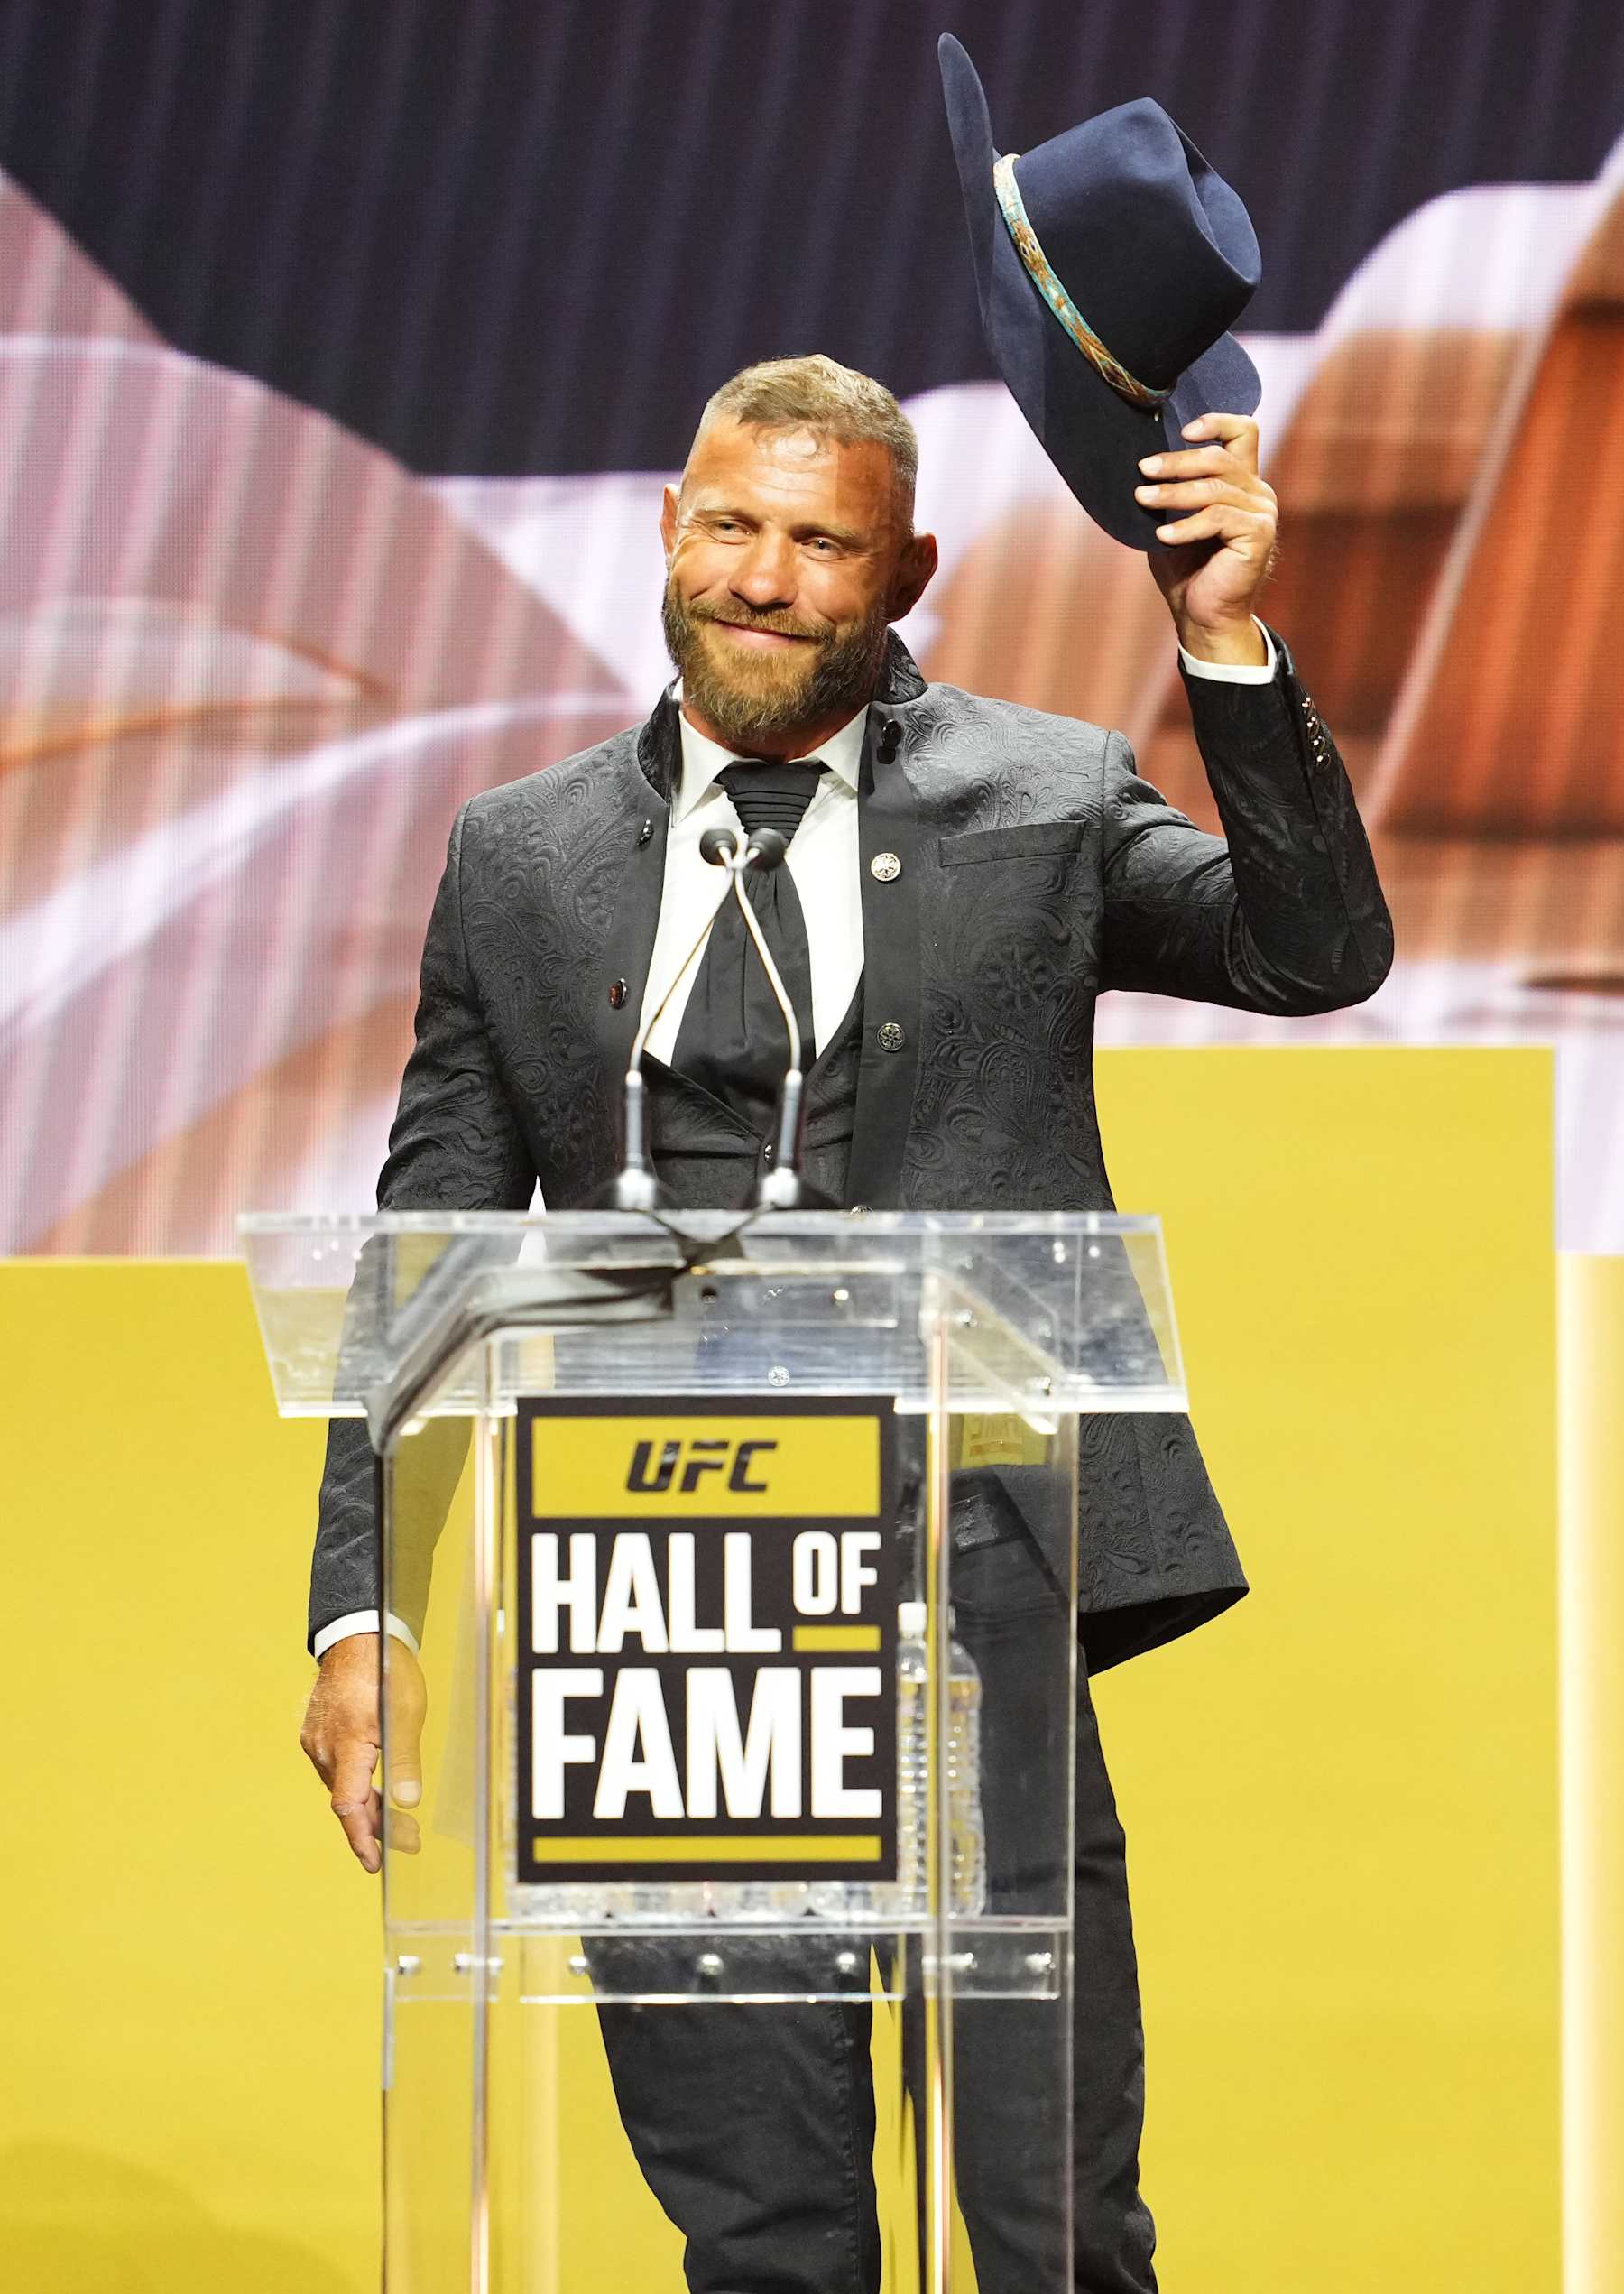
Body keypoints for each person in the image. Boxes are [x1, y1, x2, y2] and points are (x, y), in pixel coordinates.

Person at [299, 340, 1391, 2291]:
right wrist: (366, 1602)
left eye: (821, 542)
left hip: (970, 1572)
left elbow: (1312, 951)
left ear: (905, 575)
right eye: (731, 523)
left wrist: (1224, 638)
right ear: (668, 527)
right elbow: (432, 1250)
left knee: (1055, 2220)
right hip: (663, 1603)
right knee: (768, 2235)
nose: (764, 573)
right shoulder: (523, 857)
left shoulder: (1042, 800)